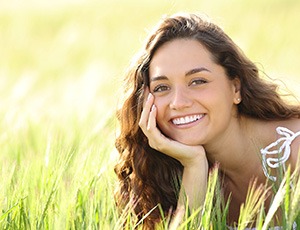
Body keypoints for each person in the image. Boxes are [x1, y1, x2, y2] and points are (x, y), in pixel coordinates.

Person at [114, 13, 300, 229]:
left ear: (235, 88)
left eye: (197, 81)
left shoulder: (295, 151)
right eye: (162, 87)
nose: (178, 102)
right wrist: (194, 166)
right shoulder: (164, 175)